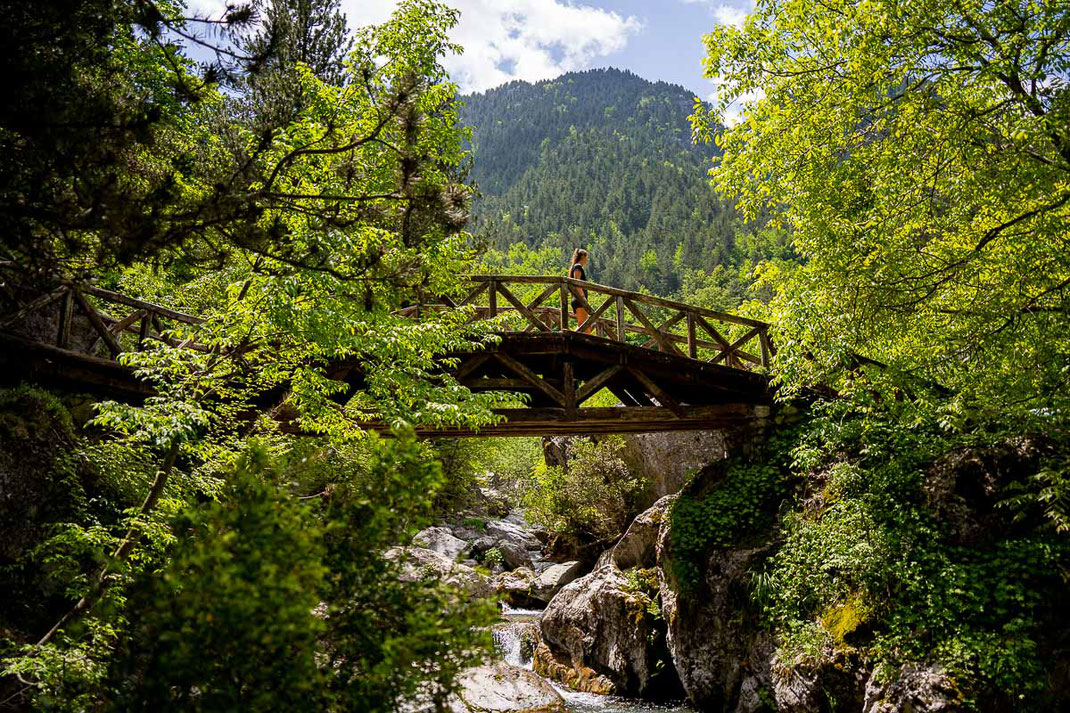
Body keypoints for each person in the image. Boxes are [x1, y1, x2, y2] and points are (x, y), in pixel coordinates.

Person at [568, 248, 594, 334]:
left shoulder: (575, 266)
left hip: (577, 299)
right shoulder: (578, 267)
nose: (587, 259)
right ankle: (571, 339)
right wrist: (583, 298)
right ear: (583, 256)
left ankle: (573, 339)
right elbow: (577, 283)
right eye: (587, 257)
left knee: (585, 326)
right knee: (584, 326)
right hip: (579, 300)